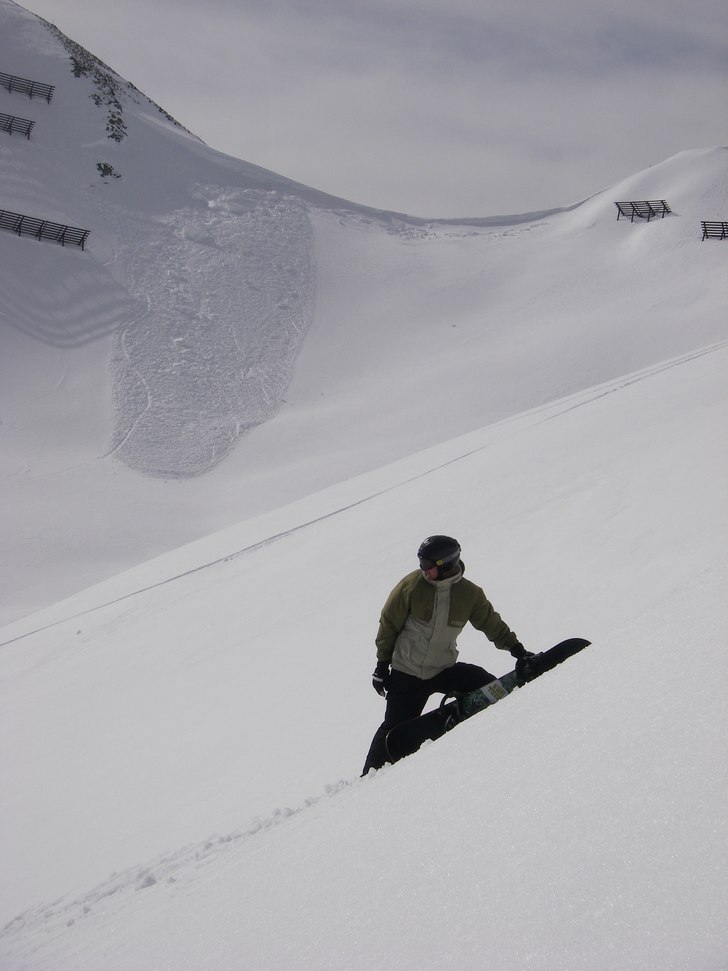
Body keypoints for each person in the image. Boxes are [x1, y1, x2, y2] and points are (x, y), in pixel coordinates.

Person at [362, 535, 532, 774]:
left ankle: (498, 726)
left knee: (487, 685)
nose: (423, 570)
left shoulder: (469, 594)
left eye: (427, 564)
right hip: (407, 673)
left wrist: (517, 650)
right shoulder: (411, 586)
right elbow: (388, 625)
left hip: (443, 669)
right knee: (393, 729)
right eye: (421, 563)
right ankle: (369, 775)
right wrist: (382, 666)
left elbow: (491, 623)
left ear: (445, 564)